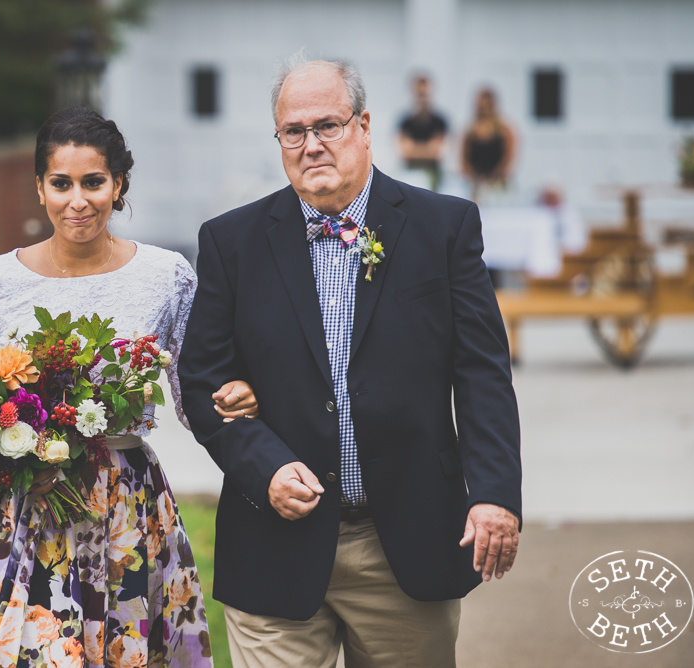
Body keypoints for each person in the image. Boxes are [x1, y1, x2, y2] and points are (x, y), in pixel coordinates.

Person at [178, 54, 522, 668]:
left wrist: (493, 493)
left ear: (363, 126)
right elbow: (203, 377)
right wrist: (263, 467)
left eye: (327, 126)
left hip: (404, 544)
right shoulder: (229, 243)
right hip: (273, 547)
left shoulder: (444, 227)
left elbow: (481, 373)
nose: (311, 145)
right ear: (279, 139)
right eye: (294, 131)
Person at [0, 107, 258, 667]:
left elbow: (192, 395)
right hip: (20, 508)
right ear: (39, 188)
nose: (77, 200)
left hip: (125, 505)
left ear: (120, 185)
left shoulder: (166, 276)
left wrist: (240, 400)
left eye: (93, 182)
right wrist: (3, 445)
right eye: (60, 184)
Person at [396, 74, 449, 187]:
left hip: (433, 175)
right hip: (409, 173)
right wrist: (427, 149)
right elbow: (405, 152)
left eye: (424, 93)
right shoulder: (405, 122)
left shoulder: (440, 122)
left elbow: (437, 152)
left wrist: (415, 149)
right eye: (419, 94)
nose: (422, 98)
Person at [461, 87, 517, 193]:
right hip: (475, 185)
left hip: (499, 183)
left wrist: (494, 179)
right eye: (481, 107)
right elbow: (464, 161)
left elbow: (508, 158)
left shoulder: (504, 131)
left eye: (487, 106)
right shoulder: (470, 132)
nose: (484, 110)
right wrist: (474, 180)